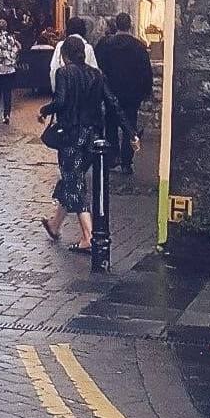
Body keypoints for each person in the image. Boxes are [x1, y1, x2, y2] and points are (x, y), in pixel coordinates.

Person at [38, 35, 139, 252]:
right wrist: (131, 133)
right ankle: (55, 225)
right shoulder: (97, 75)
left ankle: (89, 237)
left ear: (65, 55)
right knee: (72, 179)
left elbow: (61, 101)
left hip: (72, 136)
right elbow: (113, 103)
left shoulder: (64, 73)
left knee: (75, 184)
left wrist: (44, 110)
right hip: (93, 137)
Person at [95, 13, 154, 175]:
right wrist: (146, 91)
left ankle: (113, 158)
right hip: (132, 94)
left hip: (110, 93)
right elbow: (146, 72)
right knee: (130, 126)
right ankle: (126, 161)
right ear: (130, 25)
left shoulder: (105, 45)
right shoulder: (139, 47)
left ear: (116, 25)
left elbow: (98, 67)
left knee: (111, 125)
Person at [49, 17, 98, 91]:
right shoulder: (88, 47)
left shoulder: (60, 46)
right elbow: (94, 71)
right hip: (84, 91)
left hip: (65, 89)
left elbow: (54, 69)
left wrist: (55, 90)